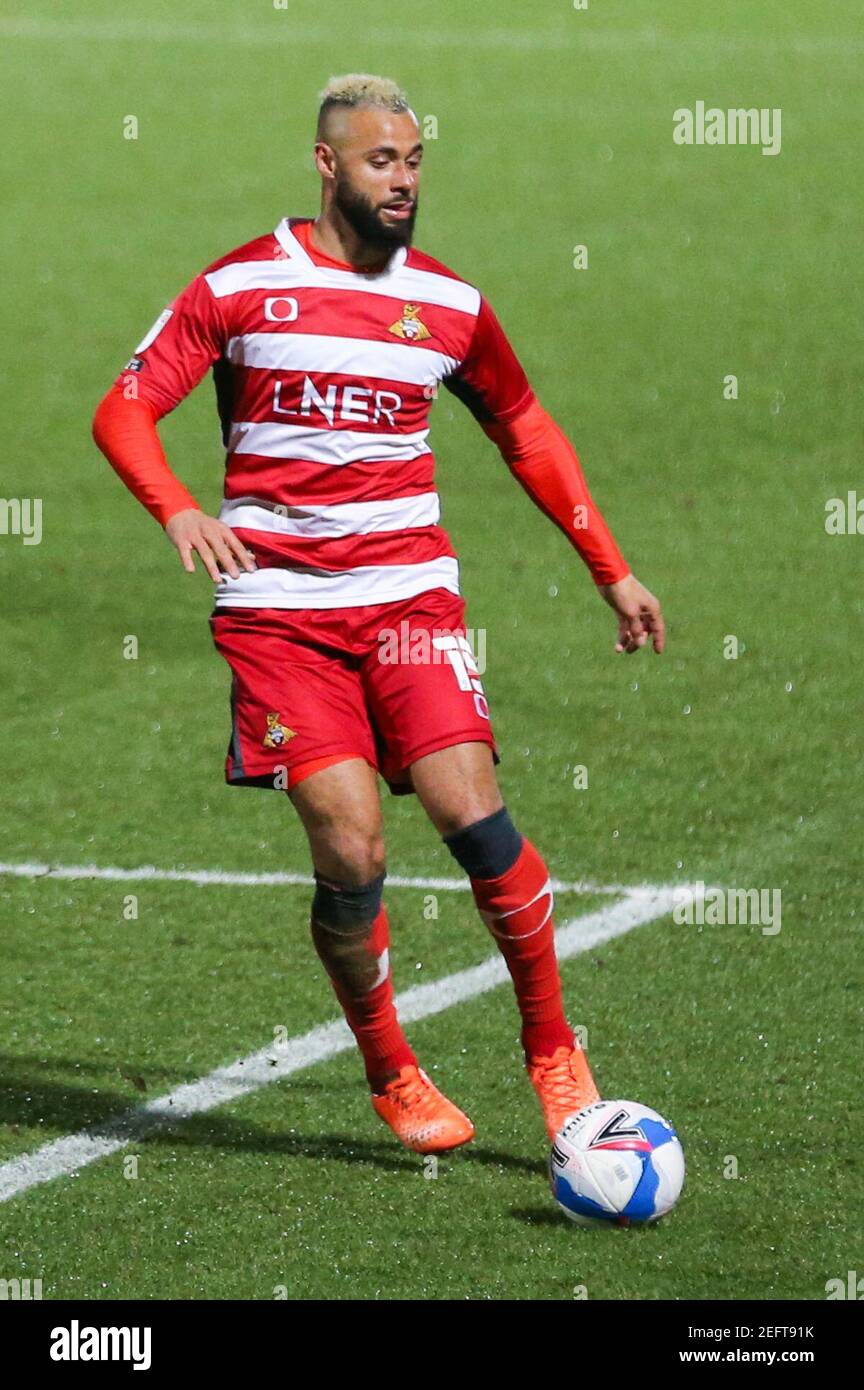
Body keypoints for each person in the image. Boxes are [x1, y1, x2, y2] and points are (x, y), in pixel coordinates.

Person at [93, 74, 665, 1155]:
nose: (402, 181)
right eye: (379, 162)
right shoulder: (241, 286)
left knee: (474, 817)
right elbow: (124, 408)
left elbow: (526, 428)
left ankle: (552, 1050)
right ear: (326, 164)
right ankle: (390, 1069)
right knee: (352, 854)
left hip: (408, 602)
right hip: (278, 617)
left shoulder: (448, 304)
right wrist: (175, 508)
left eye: (412, 162)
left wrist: (611, 569)